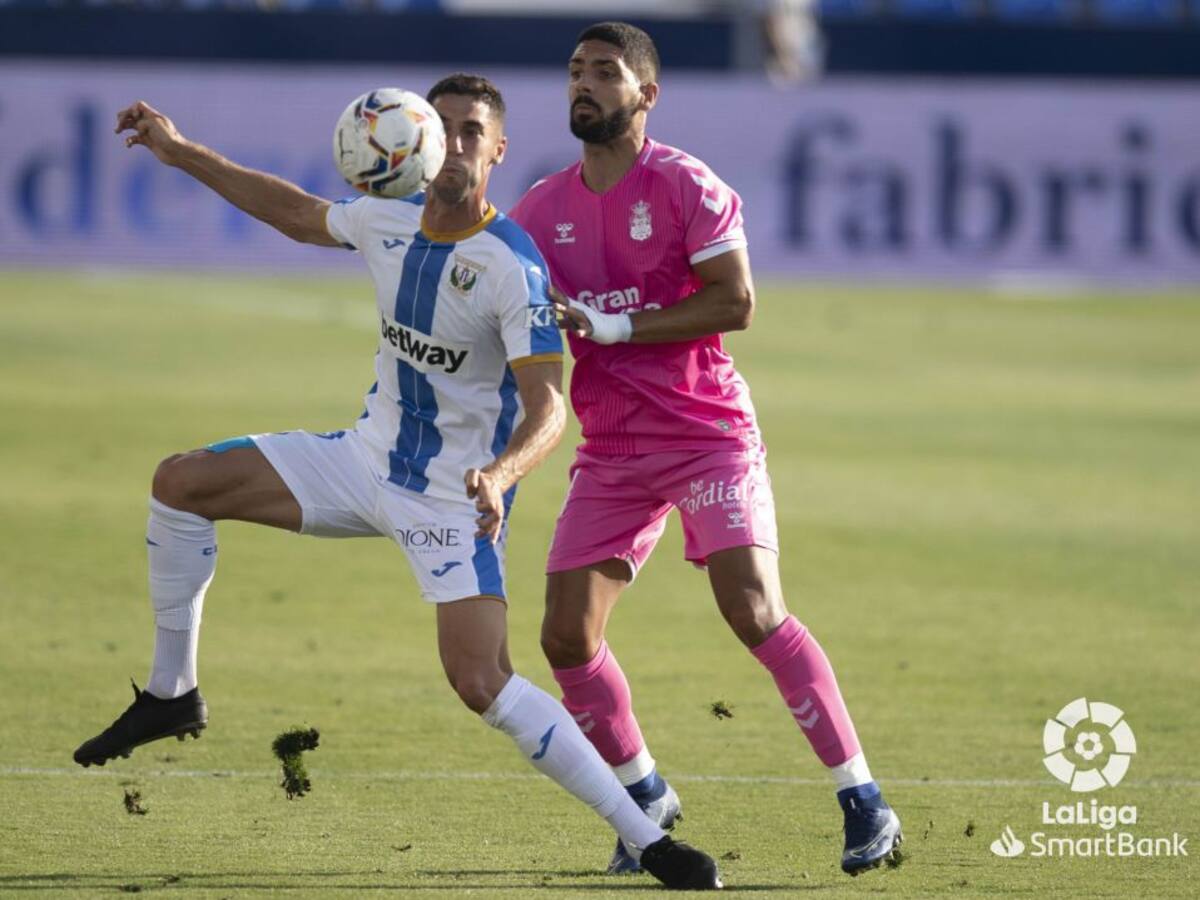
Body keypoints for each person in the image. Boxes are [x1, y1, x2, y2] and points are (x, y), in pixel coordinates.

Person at [71, 74, 721, 891]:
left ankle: (648, 836)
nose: (453, 143)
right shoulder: (386, 216)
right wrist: (178, 150)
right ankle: (173, 693)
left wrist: (502, 472)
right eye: (441, 126)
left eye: (472, 131)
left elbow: (549, 407)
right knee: (181, 482)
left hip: (452, 498)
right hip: (360, 461)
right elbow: (295, 211)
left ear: (497, 151)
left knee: (481, 680)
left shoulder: (509, 266)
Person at [508, 23, 902, 877]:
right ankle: (644, 790)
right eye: (575, 71)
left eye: (605, 74)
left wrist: (617, 324)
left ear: (646, 95)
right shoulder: (539, 211)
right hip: (612, 447)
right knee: (566, 638)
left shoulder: (688, 186)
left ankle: (863, 798)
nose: (584, 85)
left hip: (705, 433)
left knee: (750, 606)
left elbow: (737, 302)